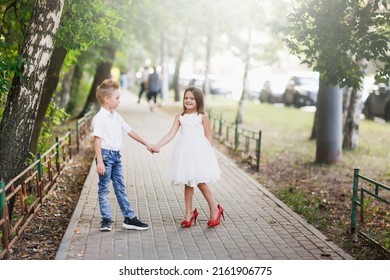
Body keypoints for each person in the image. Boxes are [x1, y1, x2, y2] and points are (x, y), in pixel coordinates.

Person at [153, 86, 223, 228]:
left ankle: (215, 209)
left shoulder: (202, 117)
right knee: (188, 182)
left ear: (198, 100)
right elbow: (171, 134)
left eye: (191, 98)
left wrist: (208, 156)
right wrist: (158, 145)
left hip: (199, 153)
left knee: (201, 182)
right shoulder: (180, 118)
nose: (188, 100)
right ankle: (188, 213)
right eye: (186, 98)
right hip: (184, 153)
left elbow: (209, 136)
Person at [92, 78, 155, 232]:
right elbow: (97, 140)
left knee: (120, 188)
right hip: (105, 157)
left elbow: (130, 131)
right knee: (104, 189)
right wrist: (100, 162)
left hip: (116, 157)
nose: (119, 101)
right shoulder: (100, 118)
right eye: (117, 98)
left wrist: (147, 144)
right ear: (107, 99)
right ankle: (106, 220)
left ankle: (129, 218)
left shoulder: (116, 116)